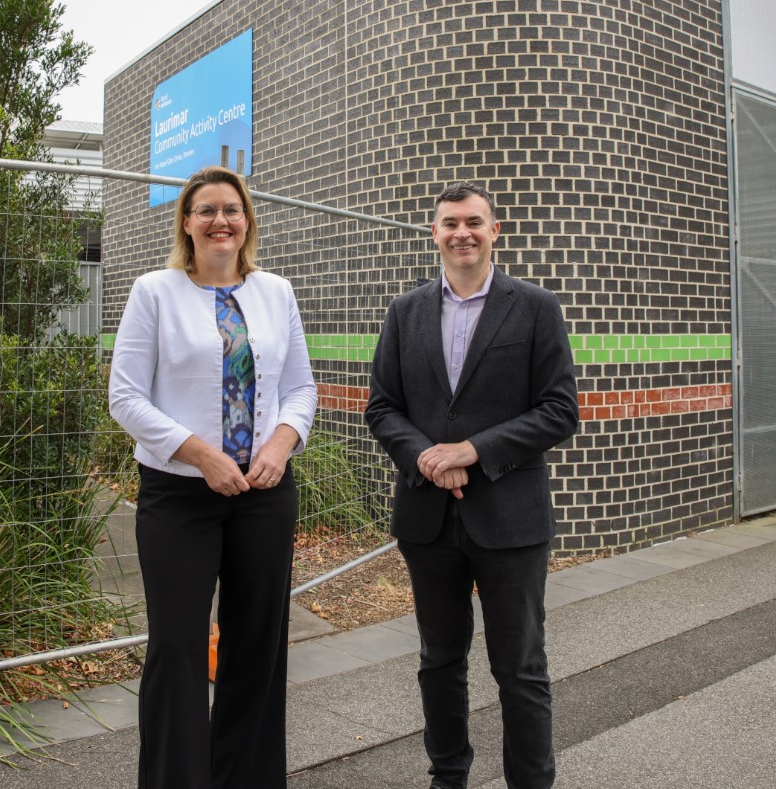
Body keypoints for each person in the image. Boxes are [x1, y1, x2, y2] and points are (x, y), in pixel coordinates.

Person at [108, 165, 318, 789]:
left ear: (248, 220)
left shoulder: (277, 292)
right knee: (176, 650)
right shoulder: (154, 291)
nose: (220, 220)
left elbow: (301, 389)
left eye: (232, 209)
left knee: (256, 648)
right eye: (206, 211)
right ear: (186, 223)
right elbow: (125, 397)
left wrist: (282, 443)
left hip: (264, 494)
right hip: (180, 497)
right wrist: (200, 454)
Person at [364, 181, 578, 789]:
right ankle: (448, 776)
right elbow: (382, 408)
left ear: (495, 230)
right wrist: (429, 457)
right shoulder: (406, 312)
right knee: (439, 660)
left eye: (474, 222)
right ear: (434, 233)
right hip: (427, 519)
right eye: (450, 222)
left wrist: (474, 450)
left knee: (520, 668)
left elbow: (560, 409)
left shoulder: (534, 307)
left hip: (510, 517)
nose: (462, 232)